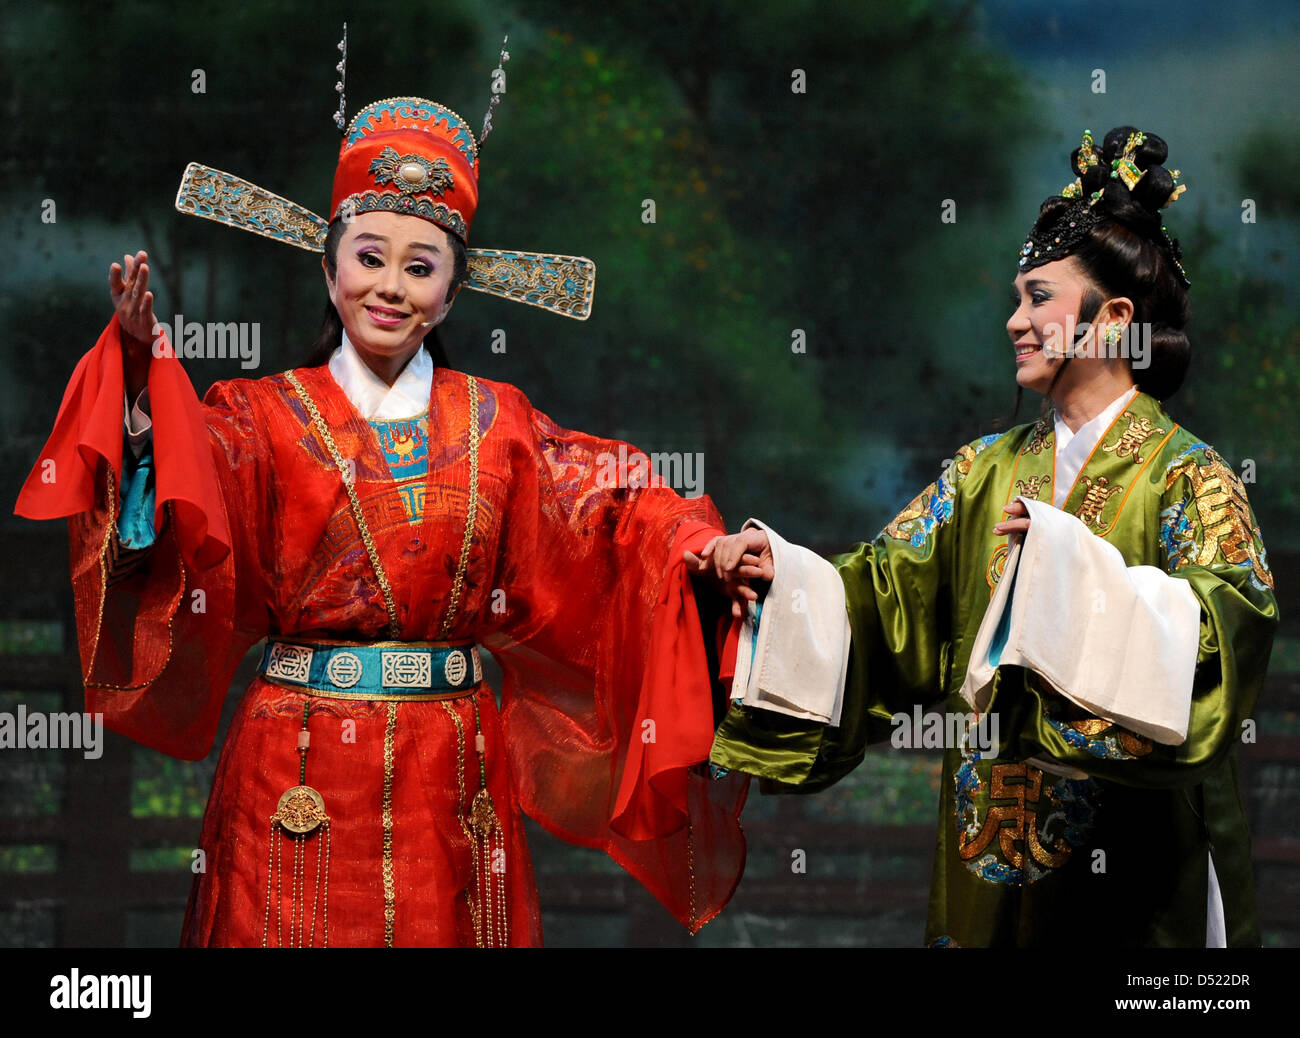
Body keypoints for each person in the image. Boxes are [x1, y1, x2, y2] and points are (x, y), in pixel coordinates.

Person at [15, 93, 749, 947]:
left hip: (453, 769)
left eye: (421, 266)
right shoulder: (259, 416)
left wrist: (703, 547)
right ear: (329, 268)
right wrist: (142, 383)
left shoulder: (501, 423)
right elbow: (185, 494)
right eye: (370, 257)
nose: (390, 288)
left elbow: (612, 508)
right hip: (299, 761)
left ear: (454, 288)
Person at [692, 127, 1278, 947]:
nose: (1015, 320)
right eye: (1017, 297)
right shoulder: (982, 473)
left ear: (1113, 319)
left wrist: (1068, 569)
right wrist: (775, 575)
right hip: (989, 843)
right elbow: (882, 595)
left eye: (1039, 296)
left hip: (1140, 860)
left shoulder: (1192, 478)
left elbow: (1222, 646)